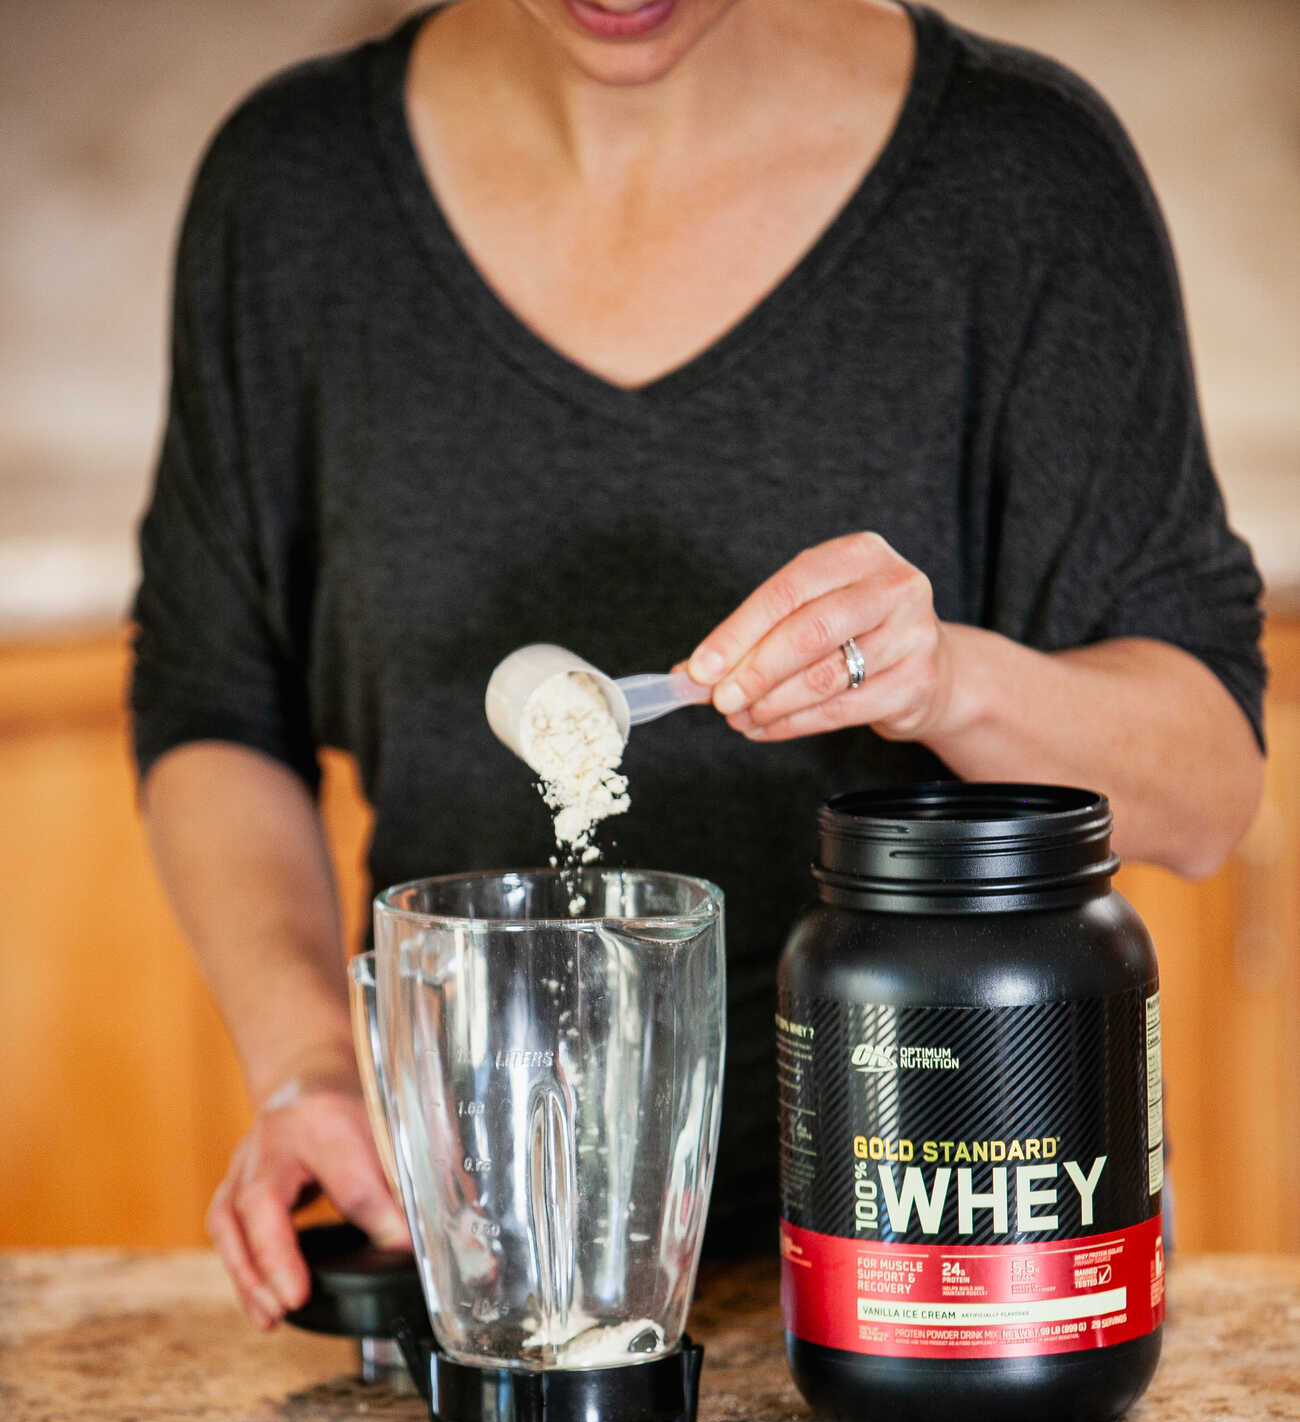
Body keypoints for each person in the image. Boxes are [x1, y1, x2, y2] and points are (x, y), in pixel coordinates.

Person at [130, 0, 1266, 1330]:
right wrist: (308, 1070)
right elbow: (214, 706)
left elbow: (1208, 794)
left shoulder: (1018, 175)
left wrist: (947, 681)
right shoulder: (294, 192)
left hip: (963, 1278)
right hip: (494, 1277)